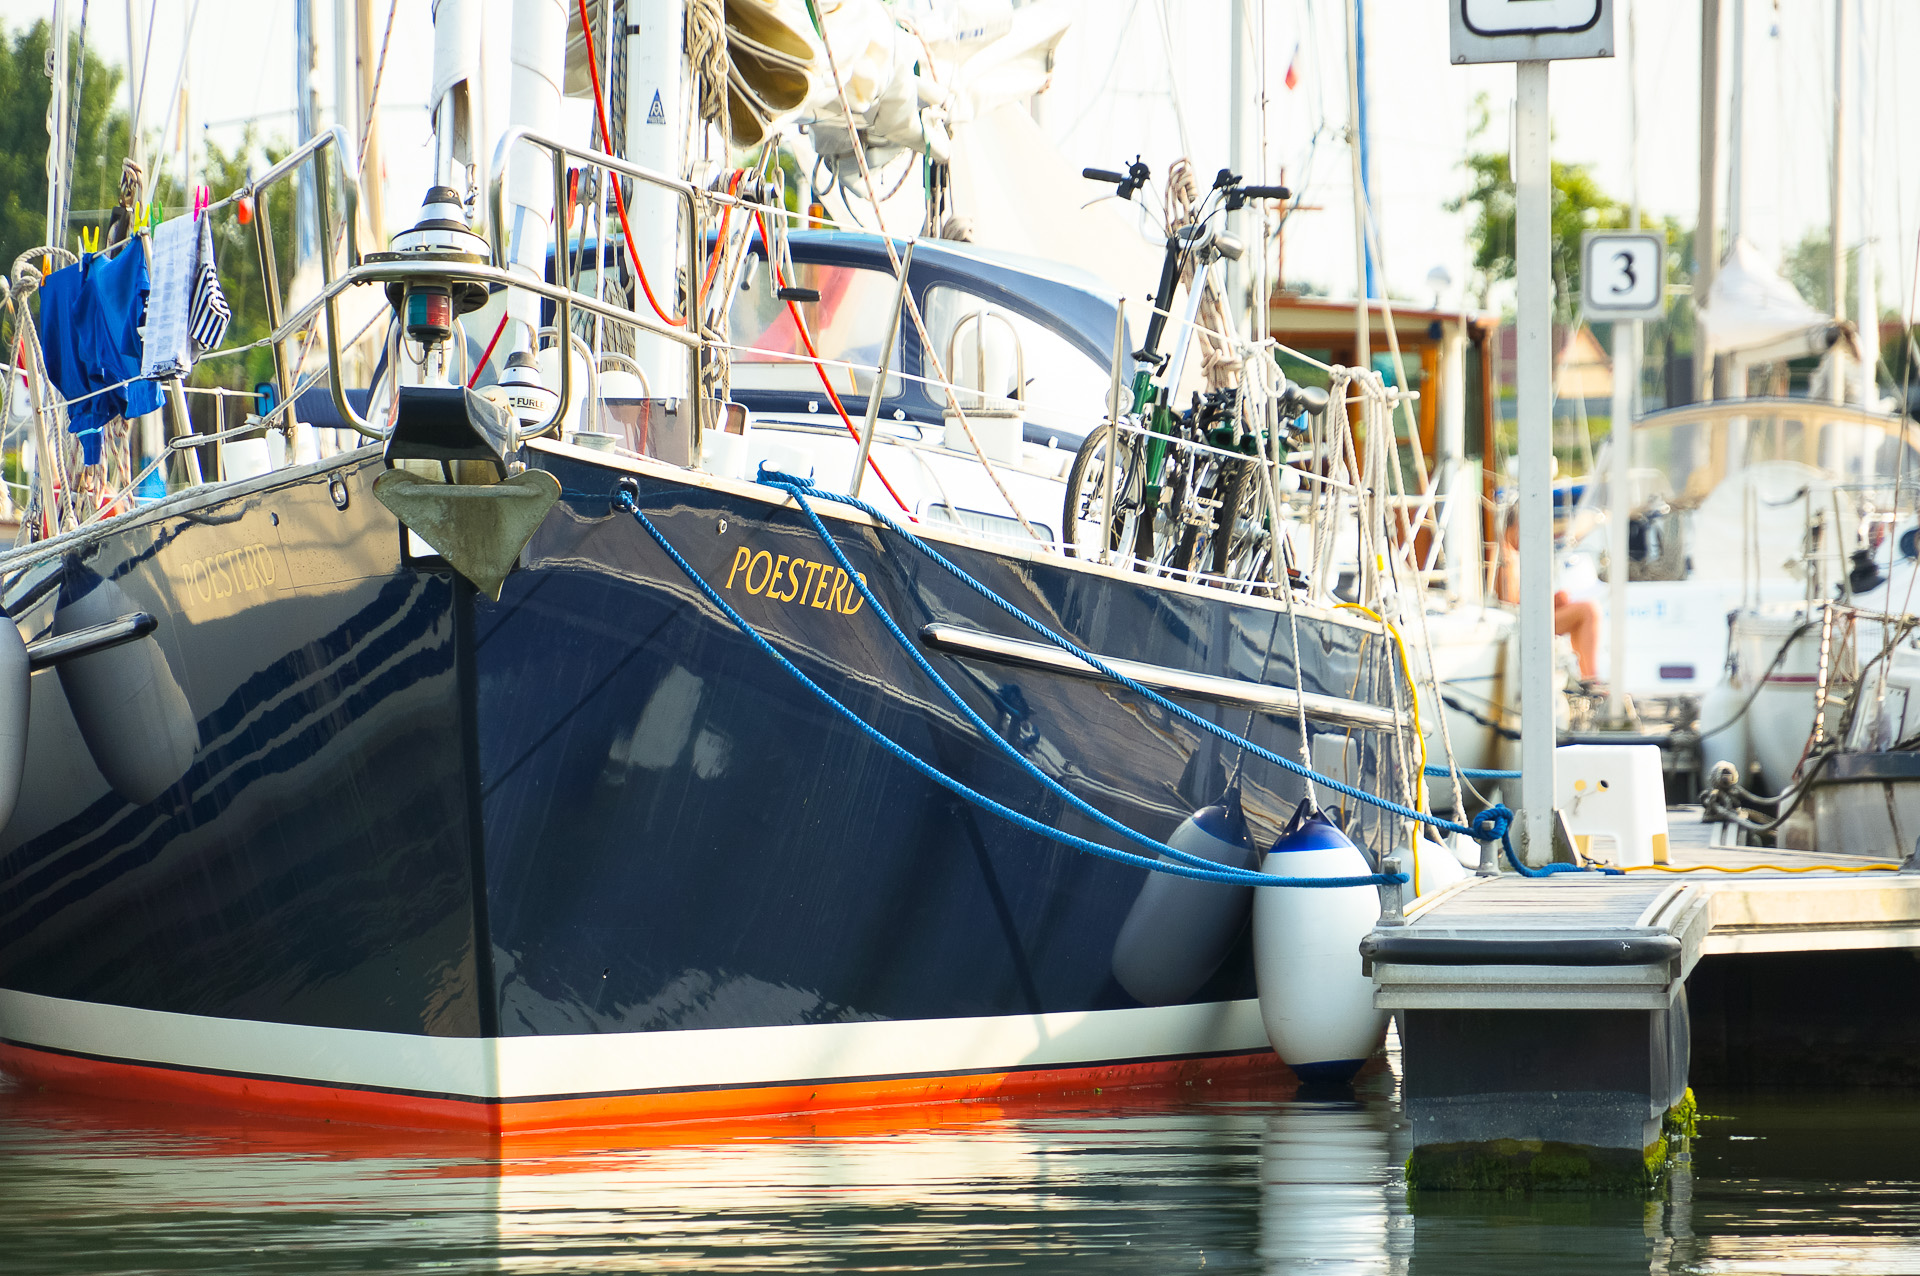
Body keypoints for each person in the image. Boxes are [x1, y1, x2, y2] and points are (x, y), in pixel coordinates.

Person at [1497, 514, 1601, 683]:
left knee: (1585, 612)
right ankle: (1590, 678)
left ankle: (1587, 677)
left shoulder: (1511, 554)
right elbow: (1511, 607)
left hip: (1527, 619)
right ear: (1513, 527)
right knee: (1588, 610)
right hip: (1522, 625)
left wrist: (1554, 600)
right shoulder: (1507, 557)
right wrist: (1552, 602)